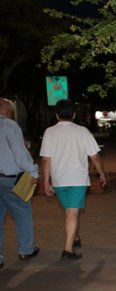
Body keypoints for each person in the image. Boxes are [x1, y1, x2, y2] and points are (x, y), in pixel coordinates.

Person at [40, 99, 108, 260]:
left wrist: (46, 182)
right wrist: (102, 173)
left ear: (56, 115)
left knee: (71, 210)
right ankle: (68, 250)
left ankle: (73, 241)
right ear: (74, 114)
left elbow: (45, 160)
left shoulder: (49, 132)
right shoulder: (82, 131)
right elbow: (95, 156)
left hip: (58, 179)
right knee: (72, 211)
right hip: (77, 178)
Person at [0, 98, 40, 269]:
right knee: (23, 214)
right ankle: (26, 249)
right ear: (8, 111)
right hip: (10, 179)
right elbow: (20, 152)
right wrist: (33, 172)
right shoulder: (9, 126)